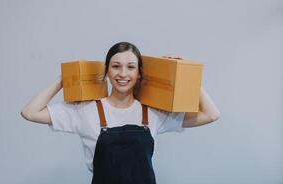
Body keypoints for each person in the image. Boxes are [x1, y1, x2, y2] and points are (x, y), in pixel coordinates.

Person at [20, 42, 220, 184]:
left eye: (130, 67)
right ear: (107, 71)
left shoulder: (152, 112)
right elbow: (30, 112)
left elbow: (211, 114)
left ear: (139, 73)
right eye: (116, 67)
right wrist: (65, 78)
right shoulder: (85, 110)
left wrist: (187, 75)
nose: (123, 74)